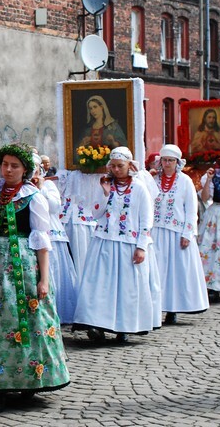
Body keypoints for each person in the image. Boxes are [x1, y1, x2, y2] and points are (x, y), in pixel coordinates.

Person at [0, 143, 70, 414]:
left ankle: (29, 379)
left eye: (14, 166)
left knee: (25, 321)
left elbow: (41, 240)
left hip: (22, 266)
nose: (8, 170)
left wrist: (43, 279)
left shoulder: (33, 197)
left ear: (25, 170)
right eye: (5, 164)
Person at [72, 147, 156, 343]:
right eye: (113, 166)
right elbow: (96, 213)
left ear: (129, 165)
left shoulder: (139, 188)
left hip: (128, 244)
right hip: (104, 241)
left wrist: (142, 246)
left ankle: (124, 327)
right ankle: (96, 324)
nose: (117, 170)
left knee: (126, 287)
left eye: (120, 166)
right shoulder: (105, 184)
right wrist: (104, 193)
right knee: (99, 285)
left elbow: (146, 219)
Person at [152, 145, 209, 324]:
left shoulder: (185, 181)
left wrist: (188, 233)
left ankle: (173, 309)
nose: (167, 163)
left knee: (175, 272)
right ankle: (155, 308)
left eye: (171, 160)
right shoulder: (153, 180)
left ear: (177, 162)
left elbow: (191, 210)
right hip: (156, 231)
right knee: (157, 271)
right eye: (165, 160)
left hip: (177, 232)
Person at [33, 156, 77, 325]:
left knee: (55, 270)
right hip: (32, 233)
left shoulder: (48, 185)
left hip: (51, 232)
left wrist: (41, 189)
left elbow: (54, 207)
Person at [198, 149, 220, 299]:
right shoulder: (215, 177)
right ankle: (211, 286)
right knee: (211, 250)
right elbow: (205, 198)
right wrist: (209, 180)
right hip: (215, 215)